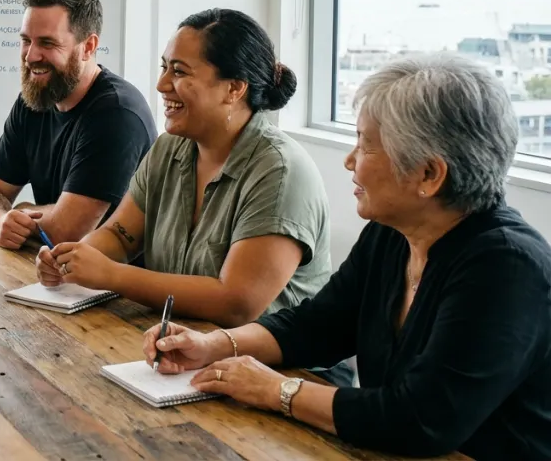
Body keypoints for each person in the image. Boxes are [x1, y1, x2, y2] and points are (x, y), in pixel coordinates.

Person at [145, 54, 551, 461]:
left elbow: (421, 419)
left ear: (429, 174)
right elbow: (317, 326)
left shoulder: (507, 268)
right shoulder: (394, 233)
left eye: (365, 145)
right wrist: (214, 345)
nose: (349, 160)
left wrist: (276, 390)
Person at [38, 8, 331, 327]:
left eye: (179, 71)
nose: (161, 84)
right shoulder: (169, 148)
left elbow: (236, 304)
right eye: (164, 67)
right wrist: (72, 259)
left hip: (262, 357)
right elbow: (119, 237)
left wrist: (112, 275)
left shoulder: (281, 172)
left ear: (234, 88)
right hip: (176, 340)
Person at [0, 0, 157, 249]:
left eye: (47, 43)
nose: (31, 56)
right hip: (53, 266)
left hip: (110, 273)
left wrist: (21, 211)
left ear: (88, 47)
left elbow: (67, 230)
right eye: (26, 41)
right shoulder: (35, 99)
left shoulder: (117, 114)